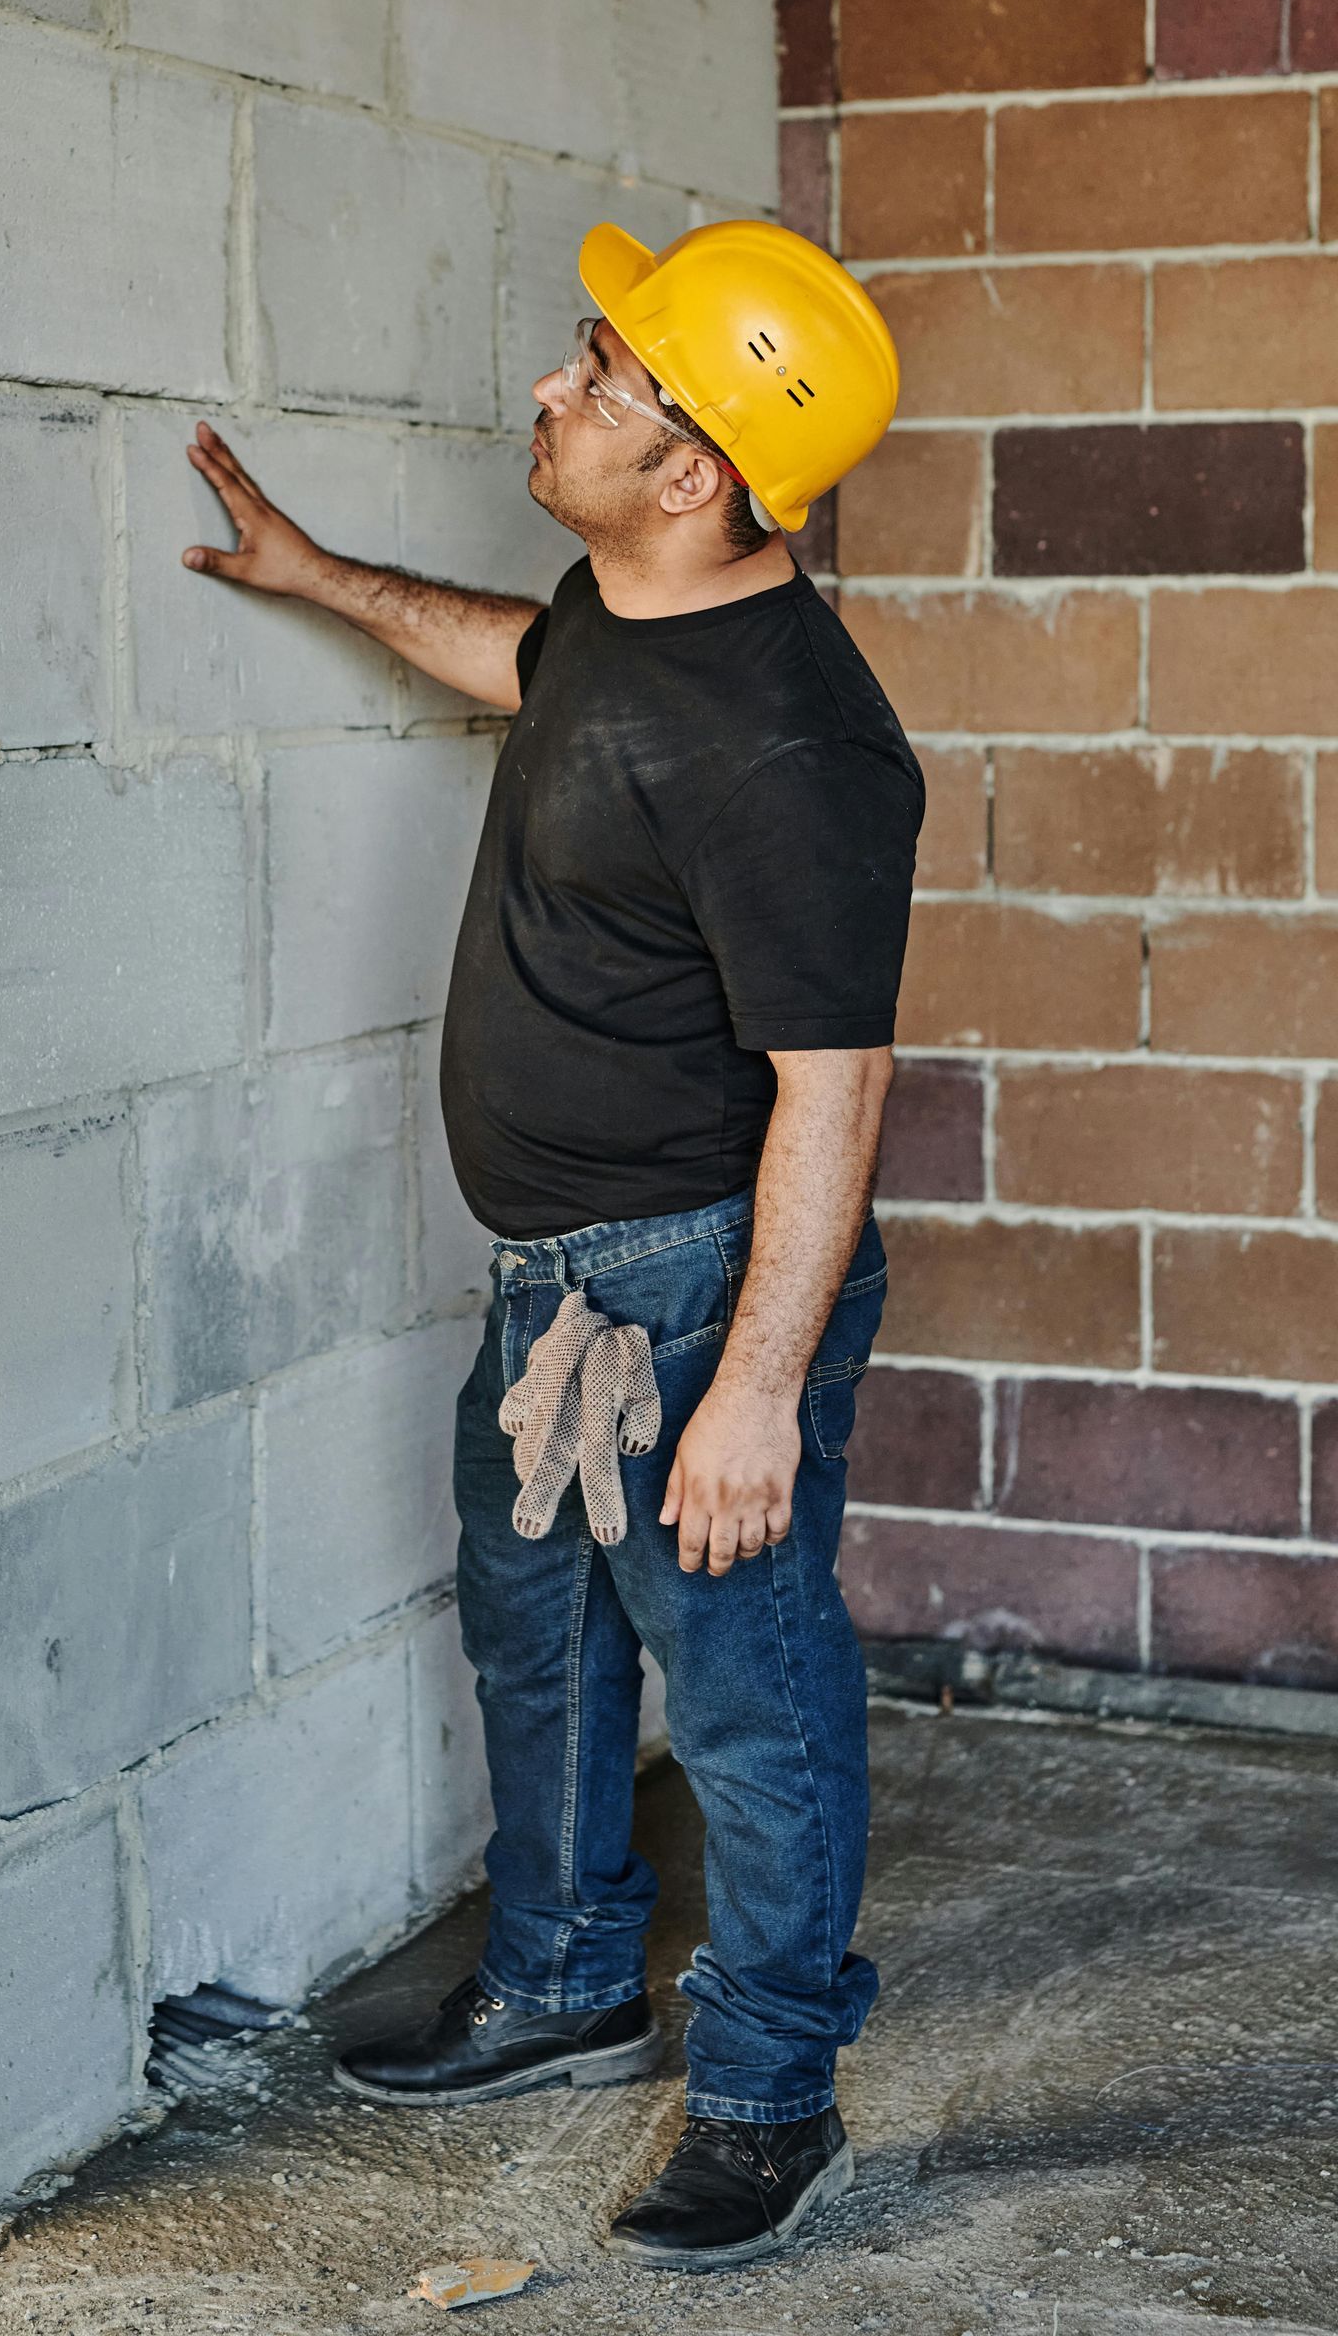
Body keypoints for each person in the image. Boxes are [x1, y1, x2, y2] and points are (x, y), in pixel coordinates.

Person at [180, 219, 920, 2274]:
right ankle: (566, 1984)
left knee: (749, 1695)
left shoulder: (800, 751)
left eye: (598, 375)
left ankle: (769, 2094)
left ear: (695, 469)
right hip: (557, 1287)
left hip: (693, 1297)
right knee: (538, 1632)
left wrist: (754, 1391)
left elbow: (835, 1087)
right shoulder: (629, 605)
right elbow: (530, 661)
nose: (547, 390)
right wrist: (325, 579)